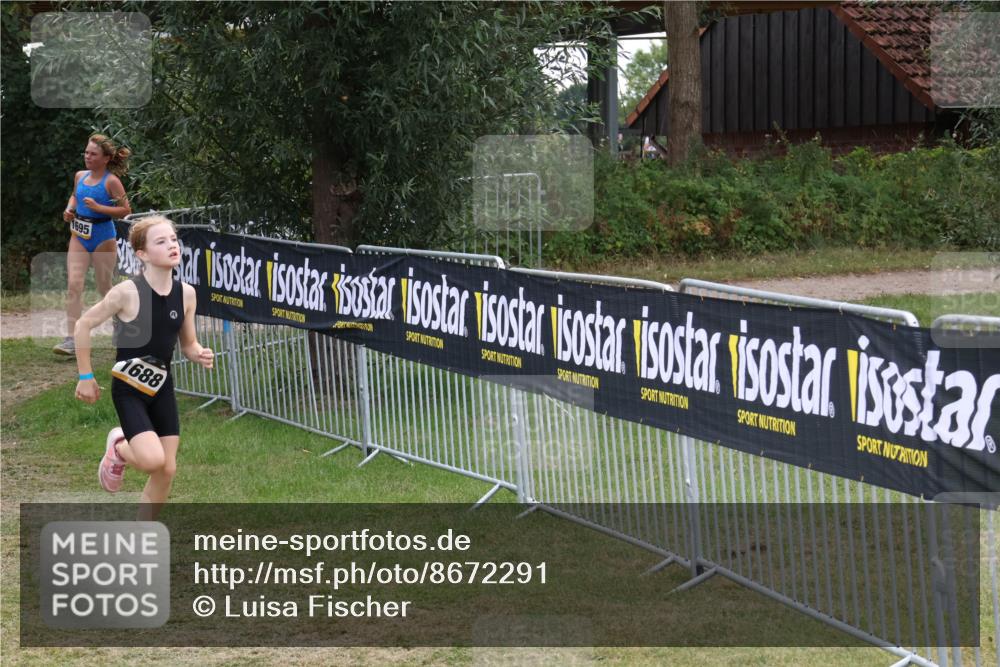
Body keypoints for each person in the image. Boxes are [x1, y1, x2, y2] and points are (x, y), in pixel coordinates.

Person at [73, 216, 213, 519]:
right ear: (143, 254)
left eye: (173, 239)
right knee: (151, 461)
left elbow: (188, 343)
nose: (172, 245)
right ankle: (119, 446)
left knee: (167, 468)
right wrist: (86, 376)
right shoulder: (126, 293)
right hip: (130, 390)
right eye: (161, 242)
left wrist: (199, 353)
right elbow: (84, 324)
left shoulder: (186, 293)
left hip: (162, 387)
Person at [54, 133, 133, 355]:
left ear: (106, 158)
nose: (87, 157)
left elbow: (126, 210)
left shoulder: (111, 181)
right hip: (78, 235)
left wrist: (99, 208)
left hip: (103, 236)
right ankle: (71, 339)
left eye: (93, 154)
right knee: (74, 285)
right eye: (86, 152)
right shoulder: (80, 176)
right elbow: (74, 196)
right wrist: (69, 210)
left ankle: (121, 323)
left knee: (104, 287)